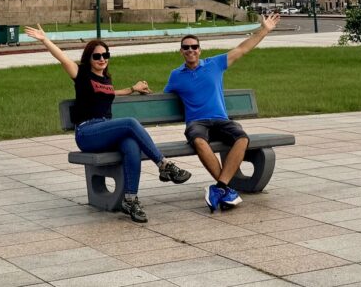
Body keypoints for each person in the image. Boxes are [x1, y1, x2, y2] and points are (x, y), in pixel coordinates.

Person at [25, 24, 191, 223]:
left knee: (131, 145)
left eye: (105, 55)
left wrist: (132, 88)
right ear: (89, 58)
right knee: (130, 123)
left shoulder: (105, 80)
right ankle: (164, 164)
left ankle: (130, 199)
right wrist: (45, 40)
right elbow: (62, 57)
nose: (102, 59)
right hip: (87, 132)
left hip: (104, 130)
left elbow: (110, 93)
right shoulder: (81, 75)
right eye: (97, 56)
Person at [164, 12, 280, 213]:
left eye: (194, 47)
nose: (190, 50)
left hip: (220, 120)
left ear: (200, 50)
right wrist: (137, 89)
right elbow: (163, 97)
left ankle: (220, 187)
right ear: (181, 51)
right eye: (186, 47)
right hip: (197, 123)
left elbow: (243, 48)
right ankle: (226, 189)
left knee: (242, 138)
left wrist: (264, 30)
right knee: (199, 141)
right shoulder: (176, 76)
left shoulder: (215, 64)